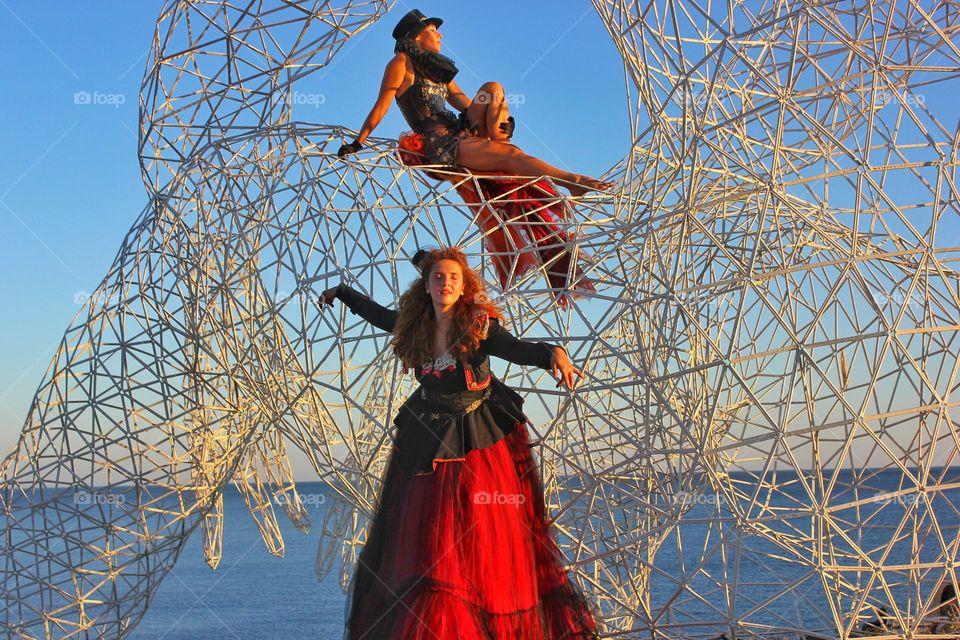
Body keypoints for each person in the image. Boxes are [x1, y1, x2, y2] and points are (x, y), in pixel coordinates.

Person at [320, 246, 600, 639]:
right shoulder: (414, 324)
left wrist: (552, 353)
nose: (445, 282)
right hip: (429, 437)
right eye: (438, 277)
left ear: (464, 285)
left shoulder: (478, 324)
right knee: (433, 542)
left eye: (453, 277)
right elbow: (381, 316)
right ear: (427, 287)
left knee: (484, 532)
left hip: (478, 439)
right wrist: (343, 294)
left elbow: (515, 349)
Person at [337, 9, 613, 197]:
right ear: (417, 36)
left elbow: (464, 103)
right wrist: (358, 142)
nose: (440, 35)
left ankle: (502, 145)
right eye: (434, 30)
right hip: (439, 143)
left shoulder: (435, 68)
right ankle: (571, 181)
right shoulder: (400, 64)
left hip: (460, 130)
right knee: (512, 155)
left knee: (493, 88)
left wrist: (499, 115)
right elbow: (382, 105)